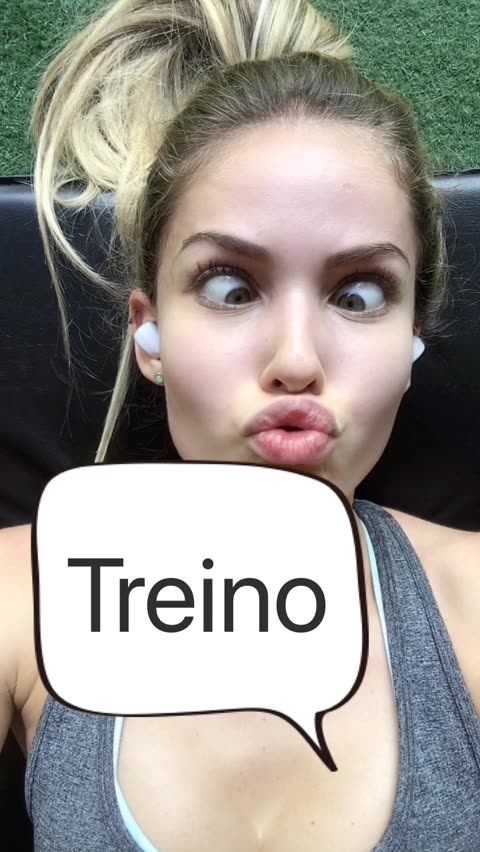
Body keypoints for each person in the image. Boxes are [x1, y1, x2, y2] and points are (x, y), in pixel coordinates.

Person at [1, 0, 479, 849]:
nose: (296, 359)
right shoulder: (23, 595)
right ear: (149, 335)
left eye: (358, 294)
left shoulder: (470, 604)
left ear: (411, 342)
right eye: (230, 287)